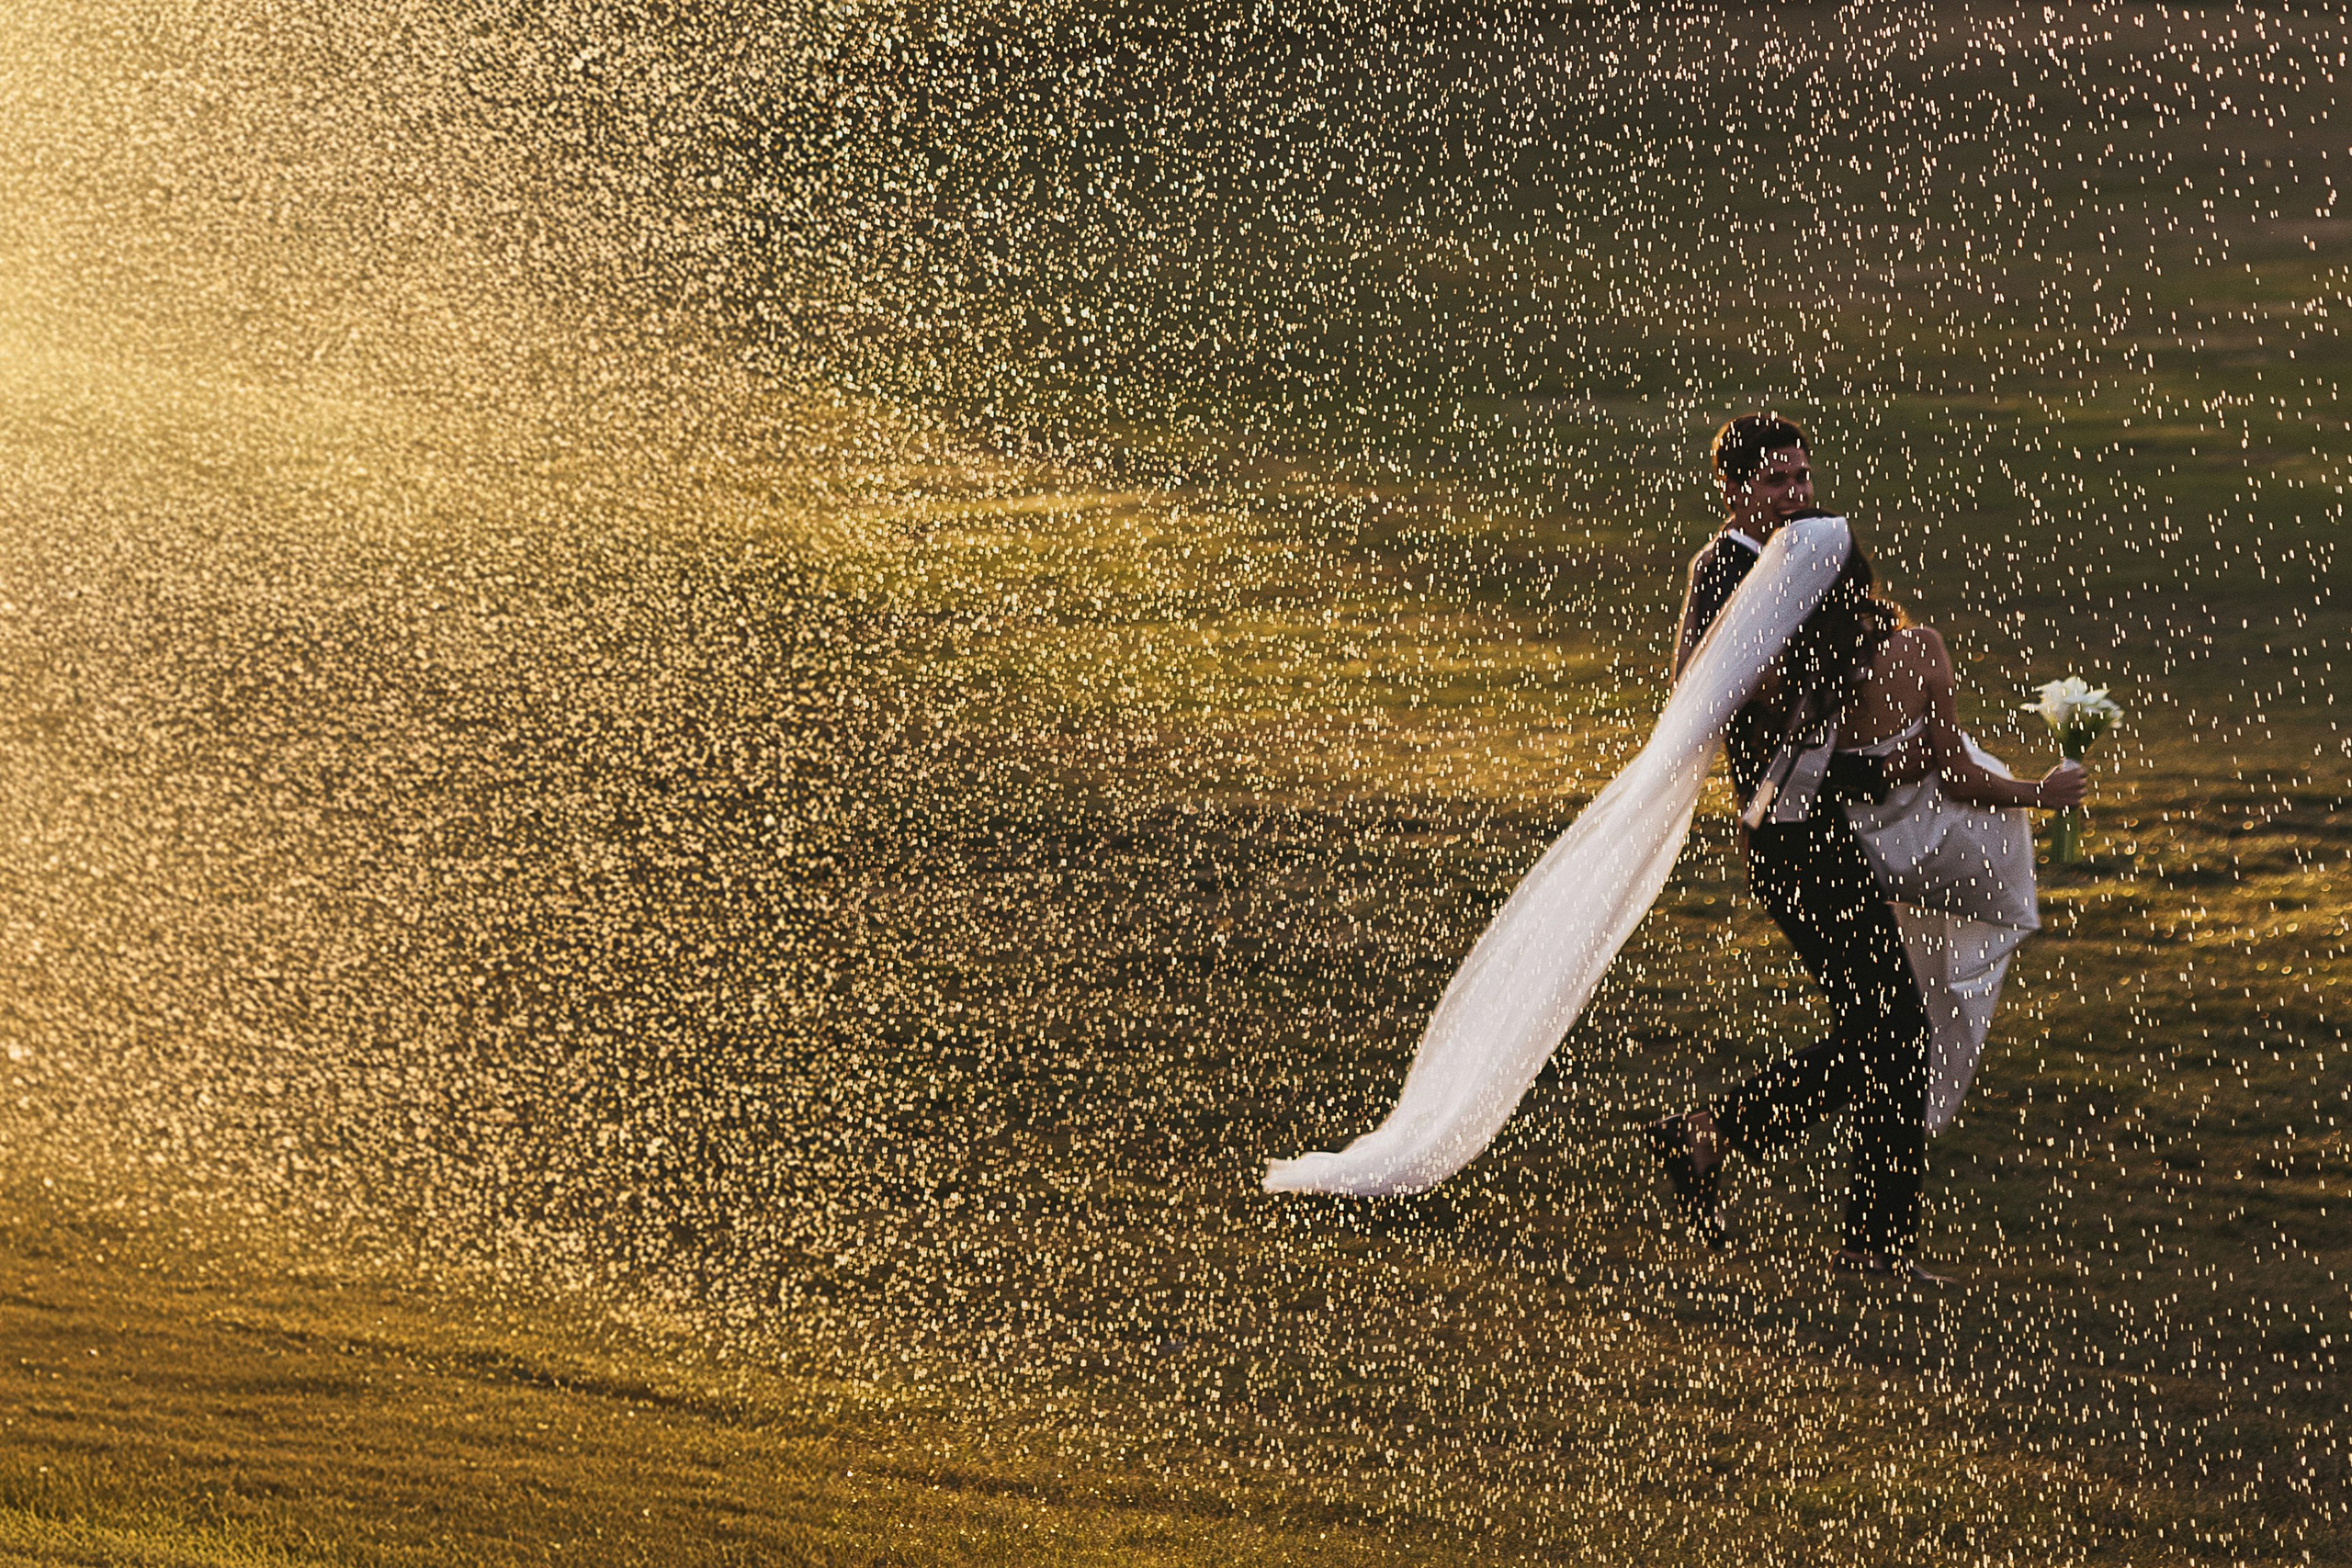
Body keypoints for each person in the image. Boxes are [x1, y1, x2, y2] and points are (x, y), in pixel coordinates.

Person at [1645, 415, 2085, 1280]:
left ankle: (1785, 1187)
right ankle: (1812, 1205)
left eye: (1804, 478)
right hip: (1785, 837)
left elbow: (1859, 676)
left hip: (1833, 831)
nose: (1796, 496)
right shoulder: (1725, 568)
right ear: (1732, 489)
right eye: (1777, 482)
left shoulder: (1816, 555)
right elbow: (1696, 694)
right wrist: (1772, 675)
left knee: (1889, 1032)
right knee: (1892, 1029)